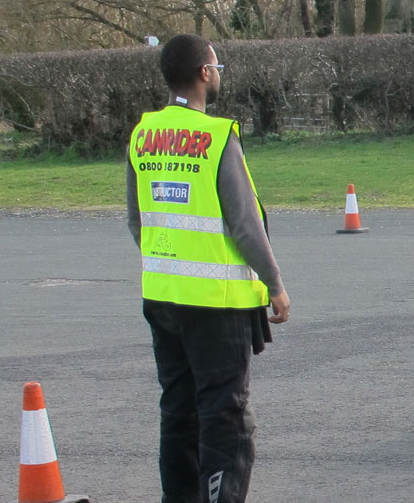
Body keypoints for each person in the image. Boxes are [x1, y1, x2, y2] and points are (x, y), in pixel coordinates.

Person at [127, 34, 290, 503]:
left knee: (178, 411)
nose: (218, 73)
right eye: (216, 66)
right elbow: (244, 223)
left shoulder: (143, 134)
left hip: (162, 297)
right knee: (226, 417)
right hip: (216, 305)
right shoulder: (216, 137)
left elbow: (137, 221)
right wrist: (274, 283)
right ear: (204, 73)